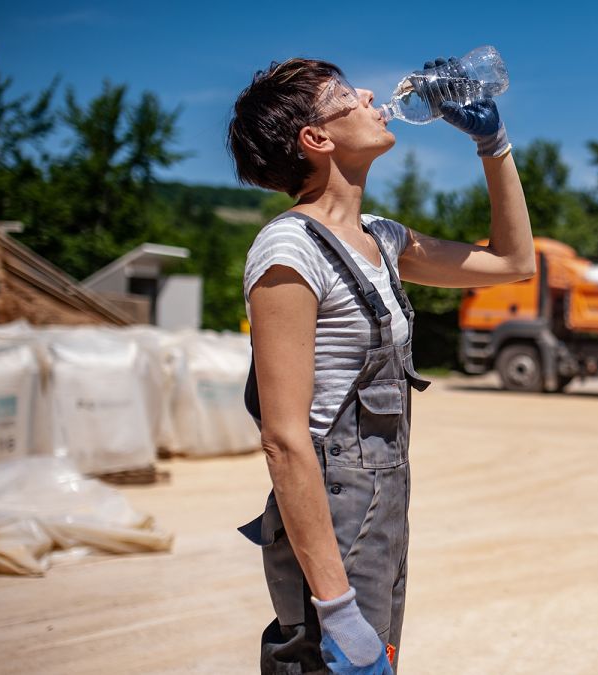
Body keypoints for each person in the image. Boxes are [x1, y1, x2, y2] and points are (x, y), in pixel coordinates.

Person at [228, 57, 534, 674]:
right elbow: (286, 441)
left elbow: (514, 263)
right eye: (344, 93)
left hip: (384, 503)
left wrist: (492, 145)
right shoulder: (288, 248)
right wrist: (335, 608)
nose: (370, 92)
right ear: (316, 139)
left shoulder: (382, 239)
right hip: (332, 513)